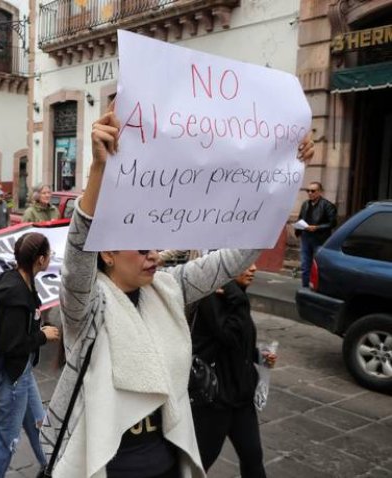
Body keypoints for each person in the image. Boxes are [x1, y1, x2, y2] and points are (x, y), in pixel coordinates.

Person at [39, 106, 314, 477]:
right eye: (140, 248)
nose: (153, 254)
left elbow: (234, 258)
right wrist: (98, 170)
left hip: (168, 465)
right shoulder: (86, 307)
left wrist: (288, 176)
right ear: (107, 252)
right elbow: (76, 259)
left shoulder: (169, 288)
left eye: (155, 244)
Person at [0, 232, 61, 477]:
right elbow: (12, 344)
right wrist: (42, 336)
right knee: (6, 445)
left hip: (22, 374)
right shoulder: (17, 293)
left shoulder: (18, 280)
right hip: (13, 379)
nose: (51, 258)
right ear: (40, 259)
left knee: (42, 429)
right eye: (49, 255)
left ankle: (50, 470)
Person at [190, 263, 275, 477]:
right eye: (246, 263)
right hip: (215, 400)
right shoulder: (212, 298)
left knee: (253, 458)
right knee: (200, 463)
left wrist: (258, 356)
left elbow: (240, 343)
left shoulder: (234, 296)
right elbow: (230, 336)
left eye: (256, 262)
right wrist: (238, 298)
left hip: (242, 397)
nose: (254, 268)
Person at [296, 181, 337, 287]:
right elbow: (300, 218)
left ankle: (319, 288)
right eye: (308, 190)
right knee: (305, 265)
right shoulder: (305, 204)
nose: (310, 193)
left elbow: (332, 223)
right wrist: (298, 231)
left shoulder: (327, 205)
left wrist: (317, 228)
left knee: (319, 265)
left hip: (320, 239)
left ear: (320, 192)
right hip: (306, 237)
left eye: (313, 191)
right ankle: (304, 287)